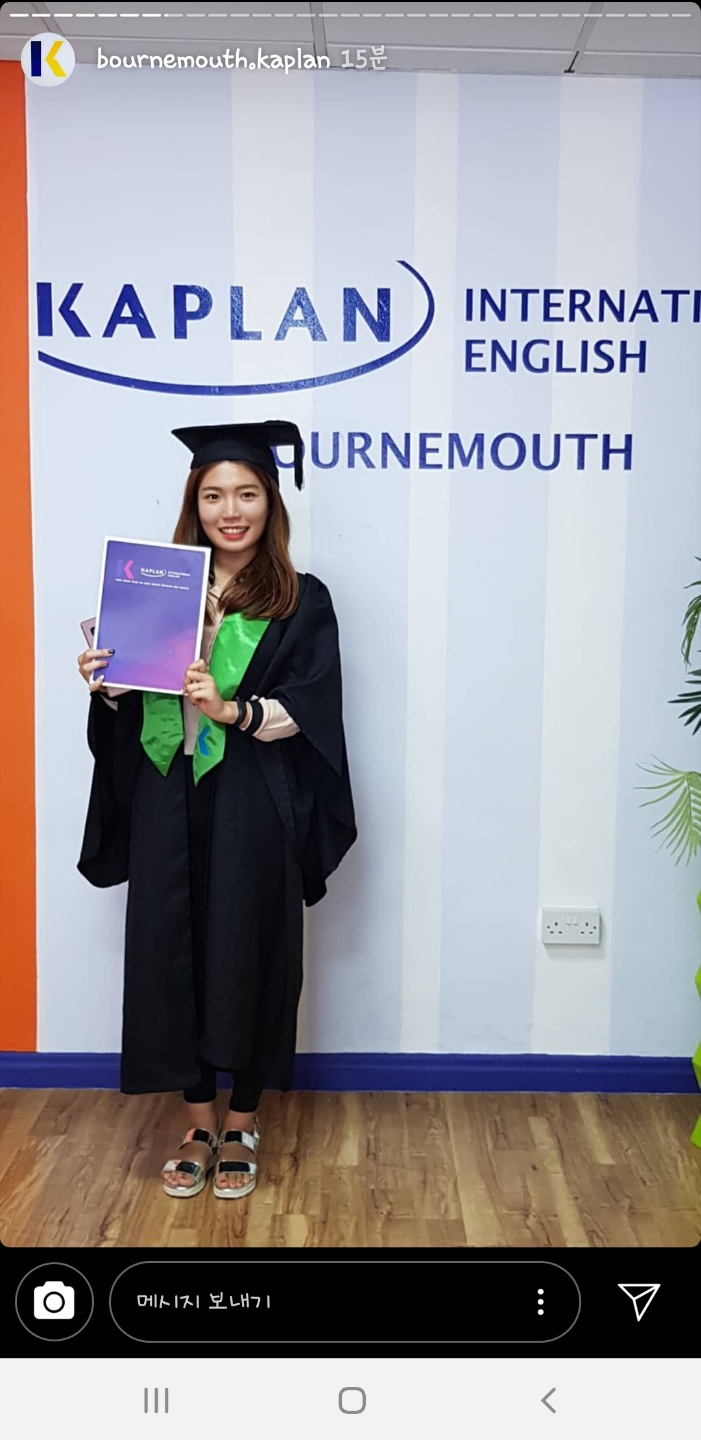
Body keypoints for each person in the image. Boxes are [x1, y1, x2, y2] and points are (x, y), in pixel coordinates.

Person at [76, 420, 356, 1199]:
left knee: (248, 946)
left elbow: (312, 709)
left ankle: (241, 1119)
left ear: (271, 503)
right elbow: (132, 710)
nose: (230, 511)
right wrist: (109, 684)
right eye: (213, 495)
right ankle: (196, 1120)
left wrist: (232, 710)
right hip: (167, 790)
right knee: (172, 948)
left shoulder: (299, 600)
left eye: (247, 494)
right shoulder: (155, 587)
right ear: (192, 504)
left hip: (252, 796)